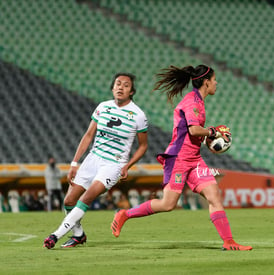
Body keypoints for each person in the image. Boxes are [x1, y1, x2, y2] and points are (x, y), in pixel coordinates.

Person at [111, 65, 252, 251]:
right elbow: (194, 130)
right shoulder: (192, 102)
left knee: (214, 195)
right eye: (214, 79)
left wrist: (209, 137)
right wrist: (212, 132)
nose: (216, 83)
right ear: (206, 82)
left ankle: (229, 242)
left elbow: (193, 133)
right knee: (168, 204)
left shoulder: (199, 101)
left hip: (194, 159)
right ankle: (124, 214)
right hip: (178, 158)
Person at [43, 72, 148, 249]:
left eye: (126, 85)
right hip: (92, 159)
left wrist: (127, 166)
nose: (121, 87)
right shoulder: (102, 107)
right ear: (112, 87)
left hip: (113, 164)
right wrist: (74, 163)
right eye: (118, 84)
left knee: (87, 197)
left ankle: (55, 235)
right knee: (68, 201)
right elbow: (88, 135)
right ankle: (78, 235)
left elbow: (143, 146)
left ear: (131, 91)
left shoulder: (138, 115)